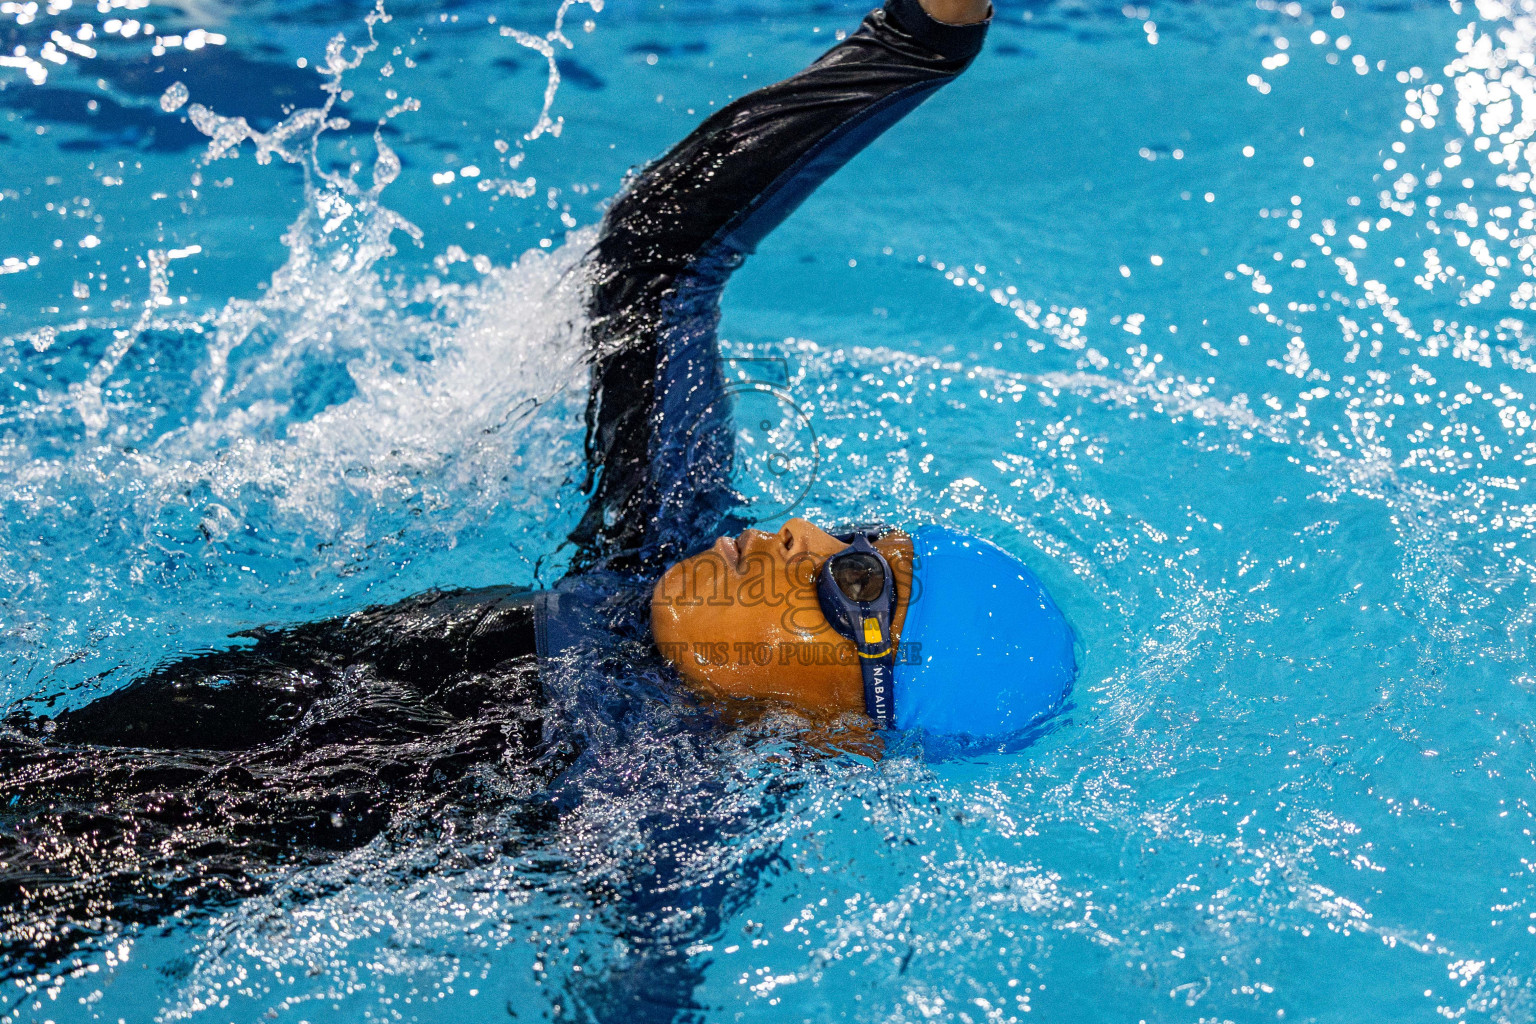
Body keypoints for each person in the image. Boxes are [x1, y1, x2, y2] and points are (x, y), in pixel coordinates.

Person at [0, 0, 1076, 1000]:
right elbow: (656, 256)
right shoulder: (663, 554)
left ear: (850, 730)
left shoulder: (677, 833)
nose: (791, 535)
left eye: (846, 577)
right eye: (841, 535)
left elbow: (639, 1003)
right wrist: (916, 43)